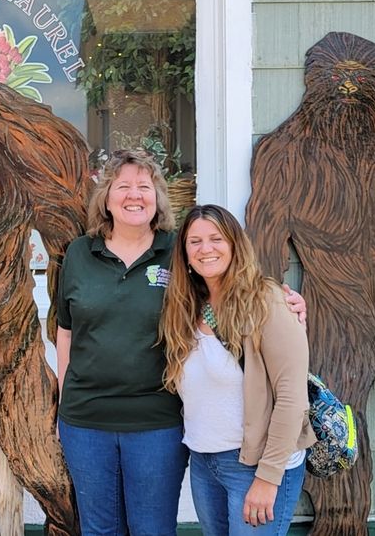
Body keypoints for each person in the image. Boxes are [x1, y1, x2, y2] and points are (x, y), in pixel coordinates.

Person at [55, 151, 305, 535]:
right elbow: (66, 330)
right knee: (99, 529)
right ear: (106, 197)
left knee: (152, 529)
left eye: (145, 186)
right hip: (87, 420)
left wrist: (288, 305)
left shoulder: (178, 250)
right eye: (123, 186)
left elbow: (237, 292)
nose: (134, 195)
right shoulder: (78, 254)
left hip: (158, 420)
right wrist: (62, 399)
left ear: (158, 197)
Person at [160, 204, 315, 536]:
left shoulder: (267, 301)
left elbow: (291, 397)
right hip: (204, 462)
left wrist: (268, 476)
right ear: (185, 254)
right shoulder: (187, 308)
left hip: (256, 463)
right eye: (195, 241)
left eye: (216, 238)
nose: (206, 249)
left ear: (234, 244)